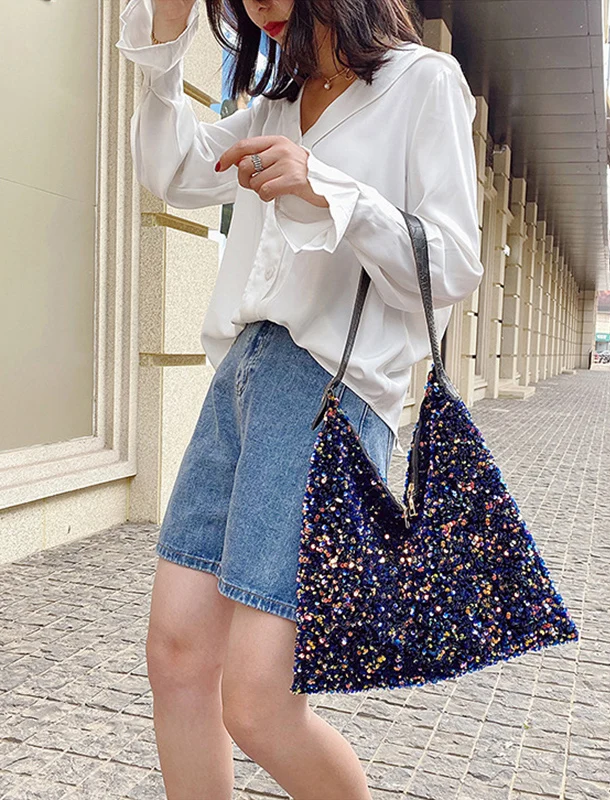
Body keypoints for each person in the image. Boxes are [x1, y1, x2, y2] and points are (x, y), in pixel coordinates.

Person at [115, 0, 483, 798]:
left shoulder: (423, 83)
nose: (260, 6)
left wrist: (331, 189)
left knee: (258, 703)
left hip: (328, 392)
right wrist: (166, 48)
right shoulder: (277, 103)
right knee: (176, 657)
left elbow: (453, 264)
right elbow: (171, 172)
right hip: (240, 379)